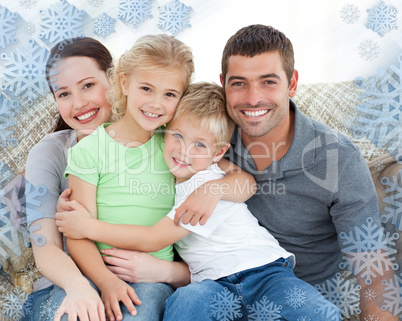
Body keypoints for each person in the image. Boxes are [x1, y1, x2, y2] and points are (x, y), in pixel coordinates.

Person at [55, 82, 341, 320]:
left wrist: (86, 227)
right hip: (210, 284)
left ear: (219, 152)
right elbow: (244, 180)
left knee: (316, 313)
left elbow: (153, 238)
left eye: (199, 145)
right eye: (177, 136)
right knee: (185, 305)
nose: (184, 151)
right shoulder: (171, 177)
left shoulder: (206, 182)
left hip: (263, 272)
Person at [62, 37, 254, 321]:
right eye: (146, 89)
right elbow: (77, 232)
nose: (156, 103)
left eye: (169, 94)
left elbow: (245, 181)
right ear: (125, 83)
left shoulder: (177, 148)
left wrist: (213, 189)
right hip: (96, 274)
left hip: (152, 279)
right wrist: (106, 282)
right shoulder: (89, 151)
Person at [209, 24, 391, 319]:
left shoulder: (338, 158)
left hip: (298, 298)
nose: (253, 98)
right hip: (218, 288)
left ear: (292, 83)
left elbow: (374, 272)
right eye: (239, 83)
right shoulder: (208, 140)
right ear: (223, 84)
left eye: (268, 82)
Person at [23, 36, 188, 321]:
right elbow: (45, 245)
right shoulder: (53, 152)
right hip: (71, 280)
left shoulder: (172, 144)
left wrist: (168, 272)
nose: (79, 103)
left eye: (88, 85)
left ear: (115, 80)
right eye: (64, 94)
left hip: (147, 276)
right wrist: (81, 287)